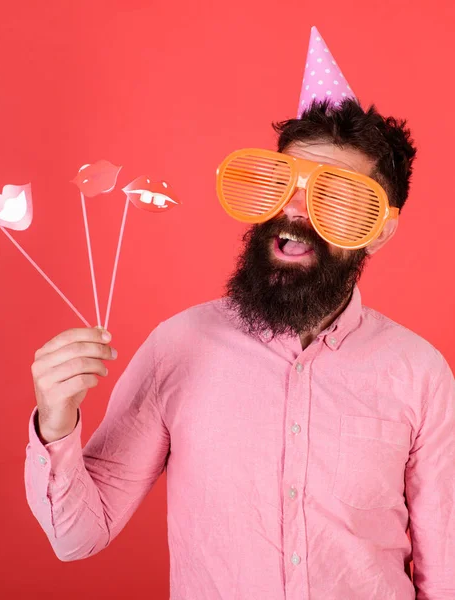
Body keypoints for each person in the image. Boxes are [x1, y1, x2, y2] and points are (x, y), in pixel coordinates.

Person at [24, 97, 455, 599]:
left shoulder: (420, 372)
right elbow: (79, 536)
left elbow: (445, 569)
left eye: (336, 198)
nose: (295, 209)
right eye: (282, 183)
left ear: (378, 232)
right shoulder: (179, 346)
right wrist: (55, 422)